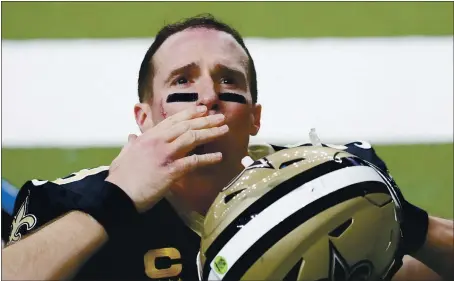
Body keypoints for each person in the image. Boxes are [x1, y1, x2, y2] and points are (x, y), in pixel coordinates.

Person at [2, 14, 453, 281]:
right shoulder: (69, 204)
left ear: (255, 117)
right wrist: (114, 201)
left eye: (228, 80)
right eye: (183, 81)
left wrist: (401, 223)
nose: (208, 96)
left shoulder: (326, 188)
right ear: (144, 118)